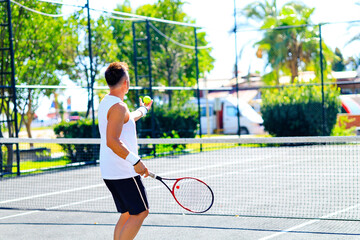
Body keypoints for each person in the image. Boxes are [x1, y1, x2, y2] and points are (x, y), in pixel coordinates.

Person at [98, 62, 152, 240]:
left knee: (128, 213)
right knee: (141, 212)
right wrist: (135, 162)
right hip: (123, 170)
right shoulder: (118, 107)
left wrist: (144, 109)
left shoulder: (108, 102)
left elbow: (130, 118)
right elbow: (112, 141)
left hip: (111, 170)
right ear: (125, 83)